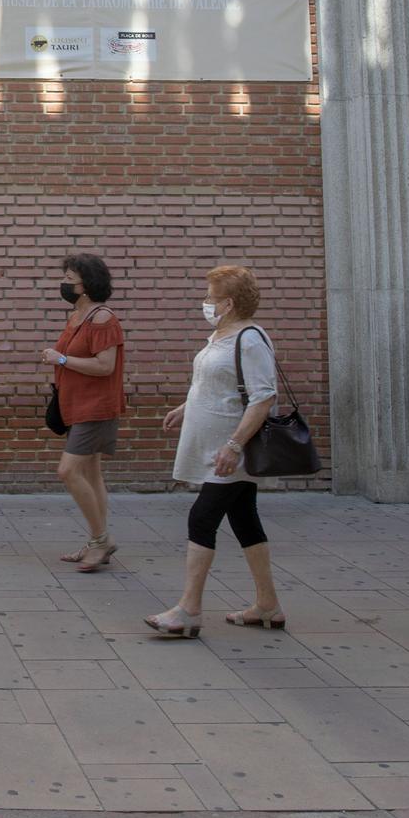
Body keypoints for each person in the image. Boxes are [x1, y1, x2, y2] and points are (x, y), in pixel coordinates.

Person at [147, 264, 287, 637]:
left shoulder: (251, 339)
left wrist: (233, 445)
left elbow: (263, 398)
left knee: (202, 518)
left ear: (227, 302)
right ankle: (267, 605)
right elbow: (217, 383)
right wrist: (185, 406)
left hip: (228, 453)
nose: (205, 303)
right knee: (244, 520)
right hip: (217, 447)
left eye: (210, 297)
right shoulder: (221, 335)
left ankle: (188, 610)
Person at [41, 254, 125, 573]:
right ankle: (98, 540)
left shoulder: (103, 319)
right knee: (91, 474)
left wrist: (60, 360)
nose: (64, 283)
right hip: (76, 406)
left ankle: (101, 540)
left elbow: (105, 366)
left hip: (95, 408)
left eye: (69, 279)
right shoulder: (78, 315)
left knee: (68, 471)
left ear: (86, 285)